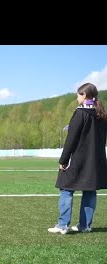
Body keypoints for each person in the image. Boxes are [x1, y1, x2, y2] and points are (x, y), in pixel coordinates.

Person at [48, 82, 107, 234]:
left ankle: (63, 225)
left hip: (78, 159)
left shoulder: (80, 113)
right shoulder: (101, 114)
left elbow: (71, 139)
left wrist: (63, 160)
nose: (76, 97)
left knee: (66, 189)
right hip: (95, 161)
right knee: (90, 191)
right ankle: (85, 226)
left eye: (78, 94)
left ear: (84, 95)